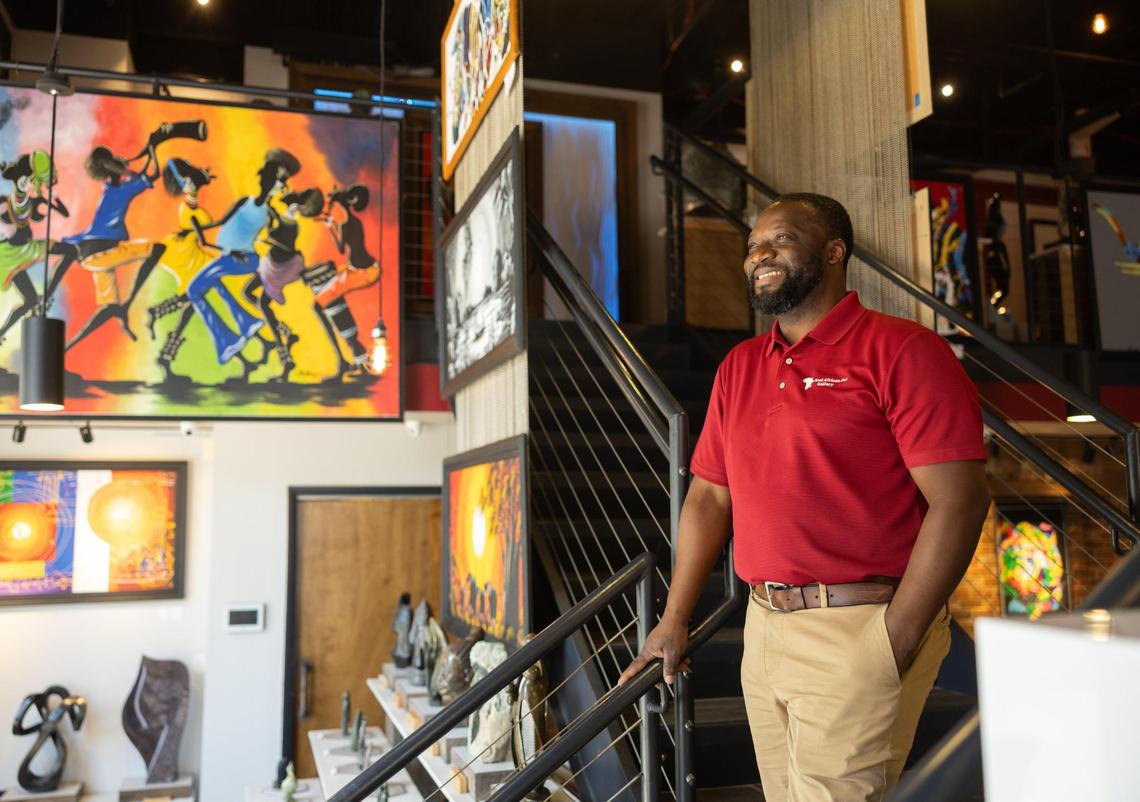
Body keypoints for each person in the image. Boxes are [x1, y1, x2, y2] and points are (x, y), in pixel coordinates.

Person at [619, 193, 990, 802]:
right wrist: (673, 619)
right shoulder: (738, 367)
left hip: (861, 623)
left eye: (781, 240)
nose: (759, 254)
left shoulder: (902, 350)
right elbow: (710, 498)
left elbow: (960, 502)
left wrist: (893, 638)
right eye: (752, 245)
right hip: (763, 629)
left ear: (835, 252)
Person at [242, 187, 324, 381]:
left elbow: (286, 246)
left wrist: (270, 240)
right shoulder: (284, 218)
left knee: (262, 303)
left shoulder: (291, 224)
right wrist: (268, 206)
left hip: (279, 268)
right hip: (269, 264)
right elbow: (273, 222)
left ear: (294, 205)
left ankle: (284, 356)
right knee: (247, 292)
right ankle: (284, 331)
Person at [0, 151, 68, 342]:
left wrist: (54, 198)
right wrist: (21, 194)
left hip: (27, 248)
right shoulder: (12, 201)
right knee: (30, 300)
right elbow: (19, 217)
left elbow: (64, 212)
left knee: (70, 251)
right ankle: (2, 333)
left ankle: (46, 295)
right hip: (10, 255)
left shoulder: (35, 195)